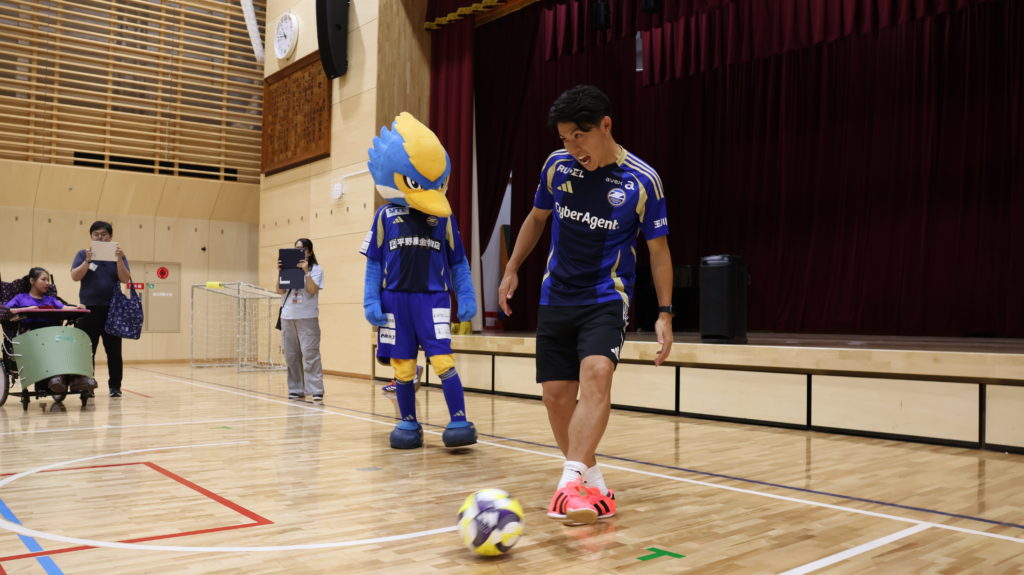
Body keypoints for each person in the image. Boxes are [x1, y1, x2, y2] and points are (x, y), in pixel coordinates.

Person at [498, 85, 675, 525]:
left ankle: (568, 485)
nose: (573, 148)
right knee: (556, 397)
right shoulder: (556, 167)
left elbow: (658, 251)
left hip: (605, 298)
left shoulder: (641, 180)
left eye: (580, 136)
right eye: (565, 138)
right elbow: (536, 218)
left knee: (597, 373)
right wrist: (512, 268)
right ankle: (594, 485)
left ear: (605, 126)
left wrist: (665, 312)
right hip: (556, 297)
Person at [361, 112, 478, 450]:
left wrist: (466, 296)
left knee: (442, 360)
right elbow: (373, 263)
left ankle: (458, 420)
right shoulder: (384, 216)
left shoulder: (443, 218)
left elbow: (458, 262)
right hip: (395, 300)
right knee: (403, 366)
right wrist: (371, 300)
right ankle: (408, 423)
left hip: (433, 299)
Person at [5, 267, 96, 395]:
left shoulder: (50, 300)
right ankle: (56, 377)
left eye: (48, 280)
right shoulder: (21, 298)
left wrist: (77, 307)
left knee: (70, 342)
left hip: (51, 334)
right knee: (53, 343)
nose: (47, 283)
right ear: (32, 281)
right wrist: (26, 309)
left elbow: (64, 308)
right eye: (43, 279)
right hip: (30, 335)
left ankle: (77, 377)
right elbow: (5, 310)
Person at [71, 221, 131, 398]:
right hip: (88, 310)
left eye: (104, 234)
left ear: (110, 237)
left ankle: (115, 387)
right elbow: (75, 276)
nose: (100, 237)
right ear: (91, 236)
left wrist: (119, 259)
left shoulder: (118, 255)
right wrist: (87, 261)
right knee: (87, 351)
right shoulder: (83, 254)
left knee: (114, 352)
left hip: (113, 311)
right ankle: (87, 386)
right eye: (96, 234)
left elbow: (125, 279)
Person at [277, 238, 325, 403]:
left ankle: (316, 390)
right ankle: (296, 390)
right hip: (287, 317)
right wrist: (281, 271)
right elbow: (279, 290)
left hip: (307, 318)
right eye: (296, 248)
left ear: (309, 252)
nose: (299, 251)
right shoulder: (288, 269)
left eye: (303, 248)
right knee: (291, 356)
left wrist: (306, 272)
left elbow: (312, 290)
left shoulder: (316, 269)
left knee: (310, 354)